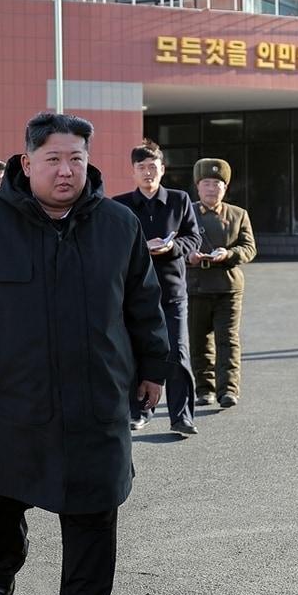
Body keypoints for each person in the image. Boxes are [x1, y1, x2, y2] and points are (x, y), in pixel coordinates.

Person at [0, 112, 170, 595]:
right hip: (10, 397)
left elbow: (143, 303)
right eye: (54, 159)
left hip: (96, 398)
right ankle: (2, 561)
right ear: (27, 163)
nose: (67, 171)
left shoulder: (118, 224)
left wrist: (154, 368)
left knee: (95, 511)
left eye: (77, 159)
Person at [112, 140, 203, 436]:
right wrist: (143, 248)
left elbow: (193, 239)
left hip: (173, 291)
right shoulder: (120, 205)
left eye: (153, 167)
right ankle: (140, 411)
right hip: (135, 294)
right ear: (133, 172)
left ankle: (182, 417)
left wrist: (172, 246)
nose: (148, 172)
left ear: (163, 169)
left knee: (177, 353)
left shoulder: (180, 200)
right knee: (136, 354)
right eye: (141, 168)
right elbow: (114, 245)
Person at [186, 158, 256, 408]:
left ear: (225, 188)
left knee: (228, 339)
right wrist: (188, 256)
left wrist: (229, 254)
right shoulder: (187, 212)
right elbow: (176, 243)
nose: (212, 188)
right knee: (199, 340)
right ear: (197, 186)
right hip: (196, 285)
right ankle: (204, 389)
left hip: (228, 287)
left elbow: (249, 248)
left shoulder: (238, 214)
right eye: (206, 183)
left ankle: (228, 390)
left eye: (217, 183)